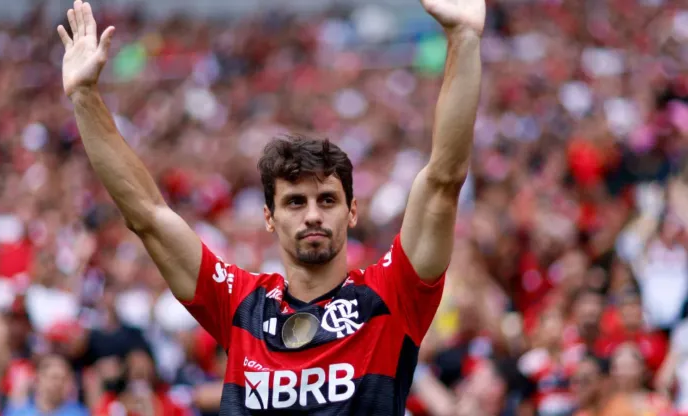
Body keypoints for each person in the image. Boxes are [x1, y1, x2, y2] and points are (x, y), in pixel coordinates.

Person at [56, 0, 484, 413]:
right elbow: (146, 214)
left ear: (352, 212)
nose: (313, 214)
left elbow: (443, 180)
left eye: (328, 200)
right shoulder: (241, 304)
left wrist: (463, 39)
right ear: (269, 217)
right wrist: (84, 97)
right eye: (294, 202)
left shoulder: (390, 296)